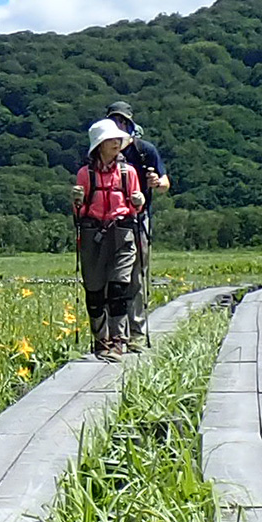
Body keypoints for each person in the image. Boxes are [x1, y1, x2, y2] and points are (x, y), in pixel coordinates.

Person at [75, 120, 147, 360]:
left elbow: (136, 207)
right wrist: (76, 201)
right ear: (100, 146)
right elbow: (79, 211)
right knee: (94, 290)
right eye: (111, 140)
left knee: (119, 286)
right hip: (93, 234)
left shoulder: (129, 173)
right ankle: (100, 340)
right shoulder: (85, 175)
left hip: (123, 231)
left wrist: (138, 202)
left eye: (118, 140)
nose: (117, 143)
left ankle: (119, 340)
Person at [102, 101, 170, 348]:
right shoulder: (102, 151)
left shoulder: (145, 151)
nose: (119, 126)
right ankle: (116, 332)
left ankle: (136, 332)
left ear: (130, 124)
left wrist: (155, 183)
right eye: (115, 121)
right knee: (112, 276)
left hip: (139, 219)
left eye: (123, 121)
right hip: (108, 221)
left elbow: (165, 184)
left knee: (137, 276)